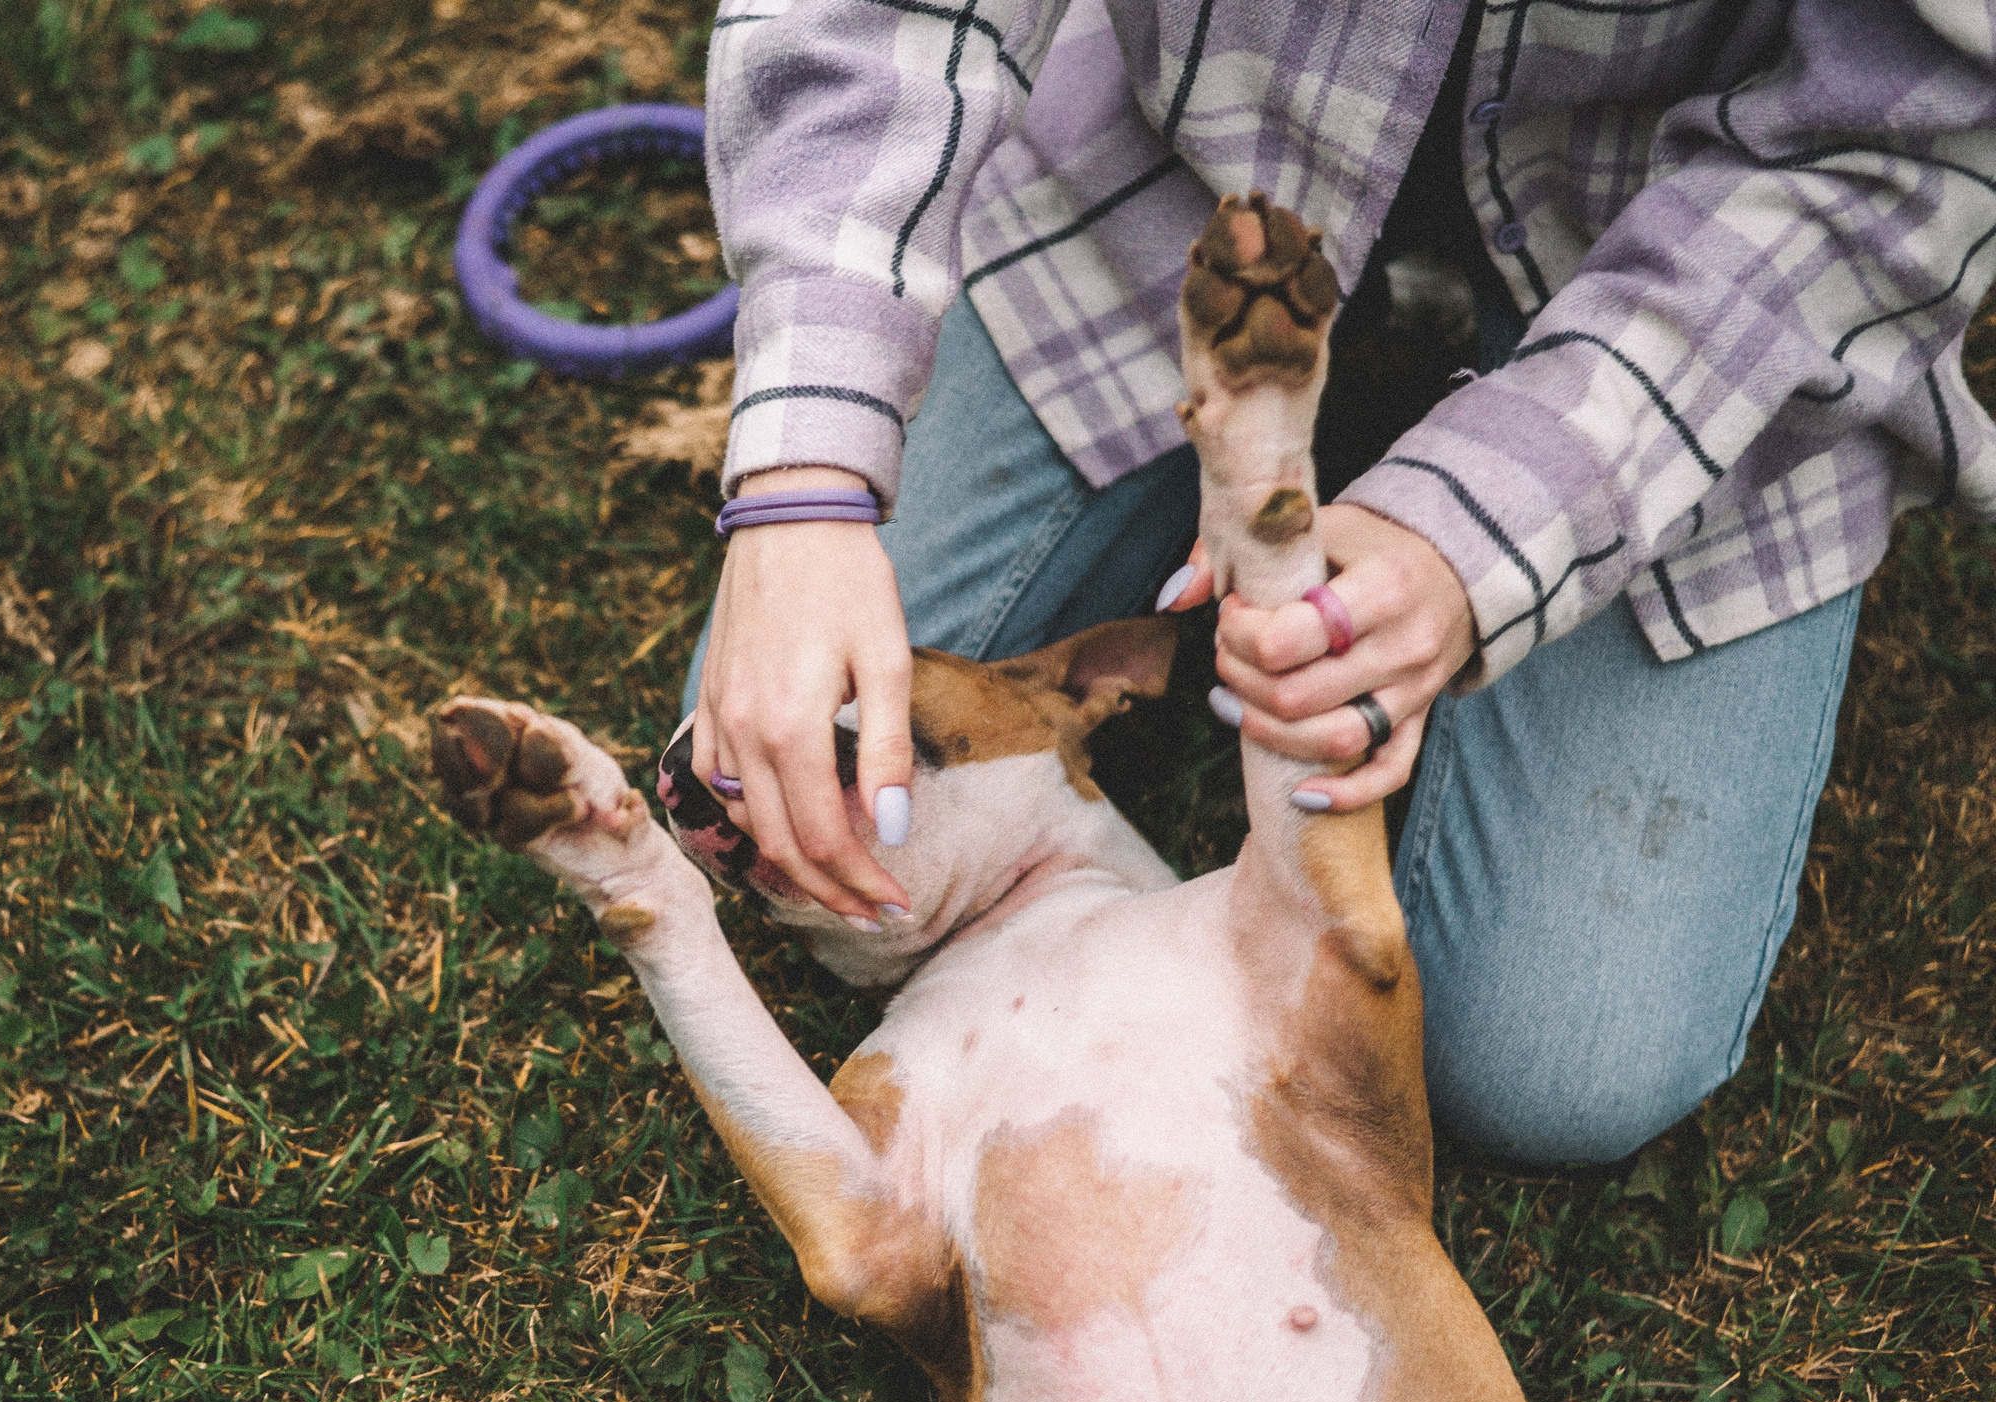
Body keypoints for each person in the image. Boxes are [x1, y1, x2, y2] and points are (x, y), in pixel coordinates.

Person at [683, 0, 1996, 1166]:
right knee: (761, 758)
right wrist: (806, 473)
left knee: (1556, 1068)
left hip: (1694, 288)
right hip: (1186, 176)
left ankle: (1293, 462)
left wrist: (1483, 530)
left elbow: (1907, 151)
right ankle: (1281, 439)